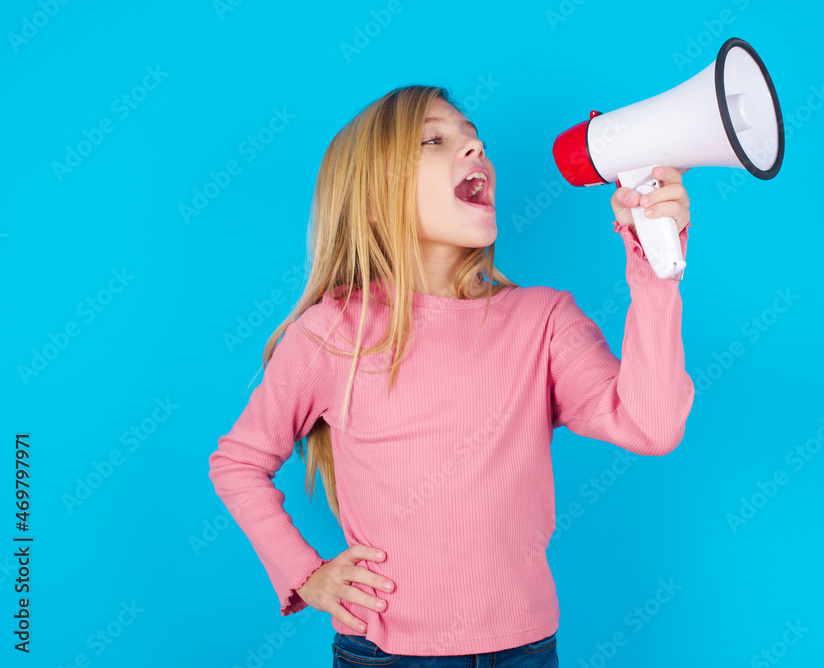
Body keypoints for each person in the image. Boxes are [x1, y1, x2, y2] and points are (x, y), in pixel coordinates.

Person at [207, 84, 694, 666]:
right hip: (386, 653)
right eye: (435, 139)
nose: (475, 148)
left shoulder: (542, 320)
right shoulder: (334, 330)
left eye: (474, 137)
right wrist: (304, 572)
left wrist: (654, 272)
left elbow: (652, 427)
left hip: (525, 650)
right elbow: (237, 462)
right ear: (371, 198)